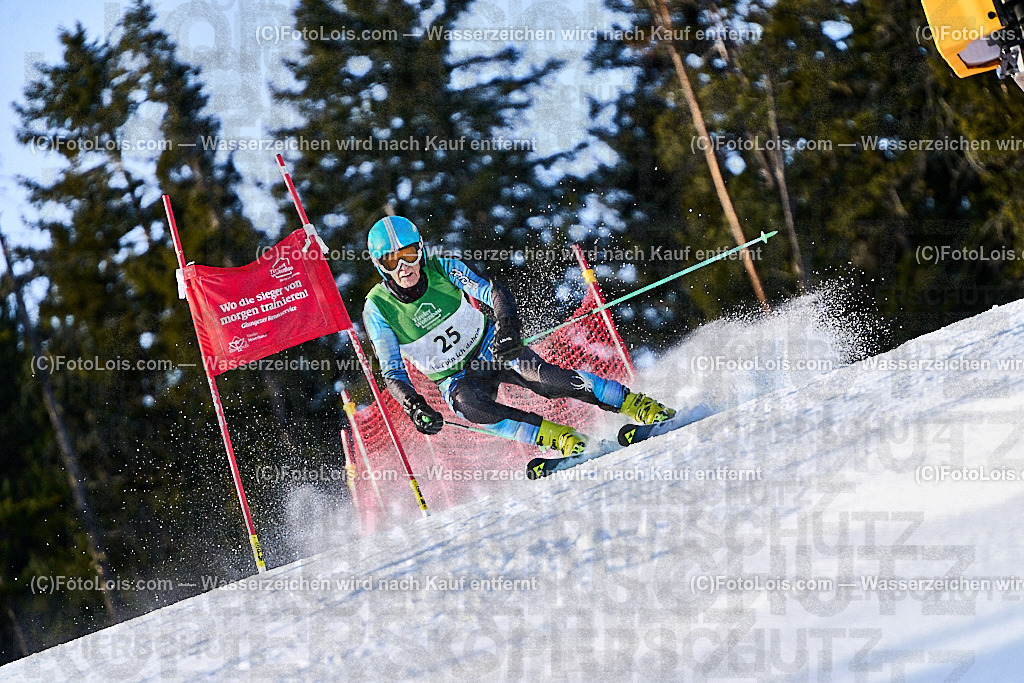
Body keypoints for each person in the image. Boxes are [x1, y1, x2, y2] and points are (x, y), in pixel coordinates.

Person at [361, 216, 677, 457]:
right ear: (380, 266)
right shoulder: (377, 308)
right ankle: (563, 438)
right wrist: (414, 406)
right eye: (392, 260)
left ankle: (639, 405)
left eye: (409, 253)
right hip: (455, 378)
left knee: (549, 381)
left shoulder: (442, 267)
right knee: (471, 407)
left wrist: (508, 328)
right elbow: (392, 371)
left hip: (491, 347)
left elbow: (494, 292)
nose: (404, 266)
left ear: (421, 249)